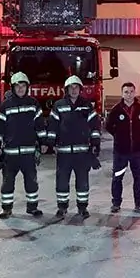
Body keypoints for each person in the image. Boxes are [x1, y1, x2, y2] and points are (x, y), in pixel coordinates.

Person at [0, 72, 46, 219]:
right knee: (7, 182)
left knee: (31, 182)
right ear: (13, 88)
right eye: (18, 86)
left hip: (29, 152)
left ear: (27, 87)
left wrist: (44, 142)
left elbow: (40, 125)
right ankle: (6, 209)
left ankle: (32, 207)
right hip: (10, 154)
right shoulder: (5, 105)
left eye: (23, 86)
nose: (21, 88)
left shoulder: (33, 104)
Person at [46, 75, 102, 218]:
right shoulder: (59, 105)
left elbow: (95, 126)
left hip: (82, 152)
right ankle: (62, 207)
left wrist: (95, 144)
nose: (74, 90)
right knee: (62, 181)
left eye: (76, 87)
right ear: (66, 89)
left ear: (80, 89)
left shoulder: (87, 105)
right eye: (71, 87)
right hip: (64, 152)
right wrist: (50, 143)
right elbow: (52, 125)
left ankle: (82, 208)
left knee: (82, 181)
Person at [105, 82, 140, 214]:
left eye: (131, 92)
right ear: (122, 94)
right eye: (126, 92)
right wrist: (119, 136)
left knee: (138, 178)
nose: (129, 94)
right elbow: (108, 126)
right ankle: (116, 203)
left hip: (137, 151)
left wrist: (138, 135)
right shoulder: (116, 110)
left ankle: (139, 204)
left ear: (134, 93)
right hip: (121, 152)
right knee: (117, 177)